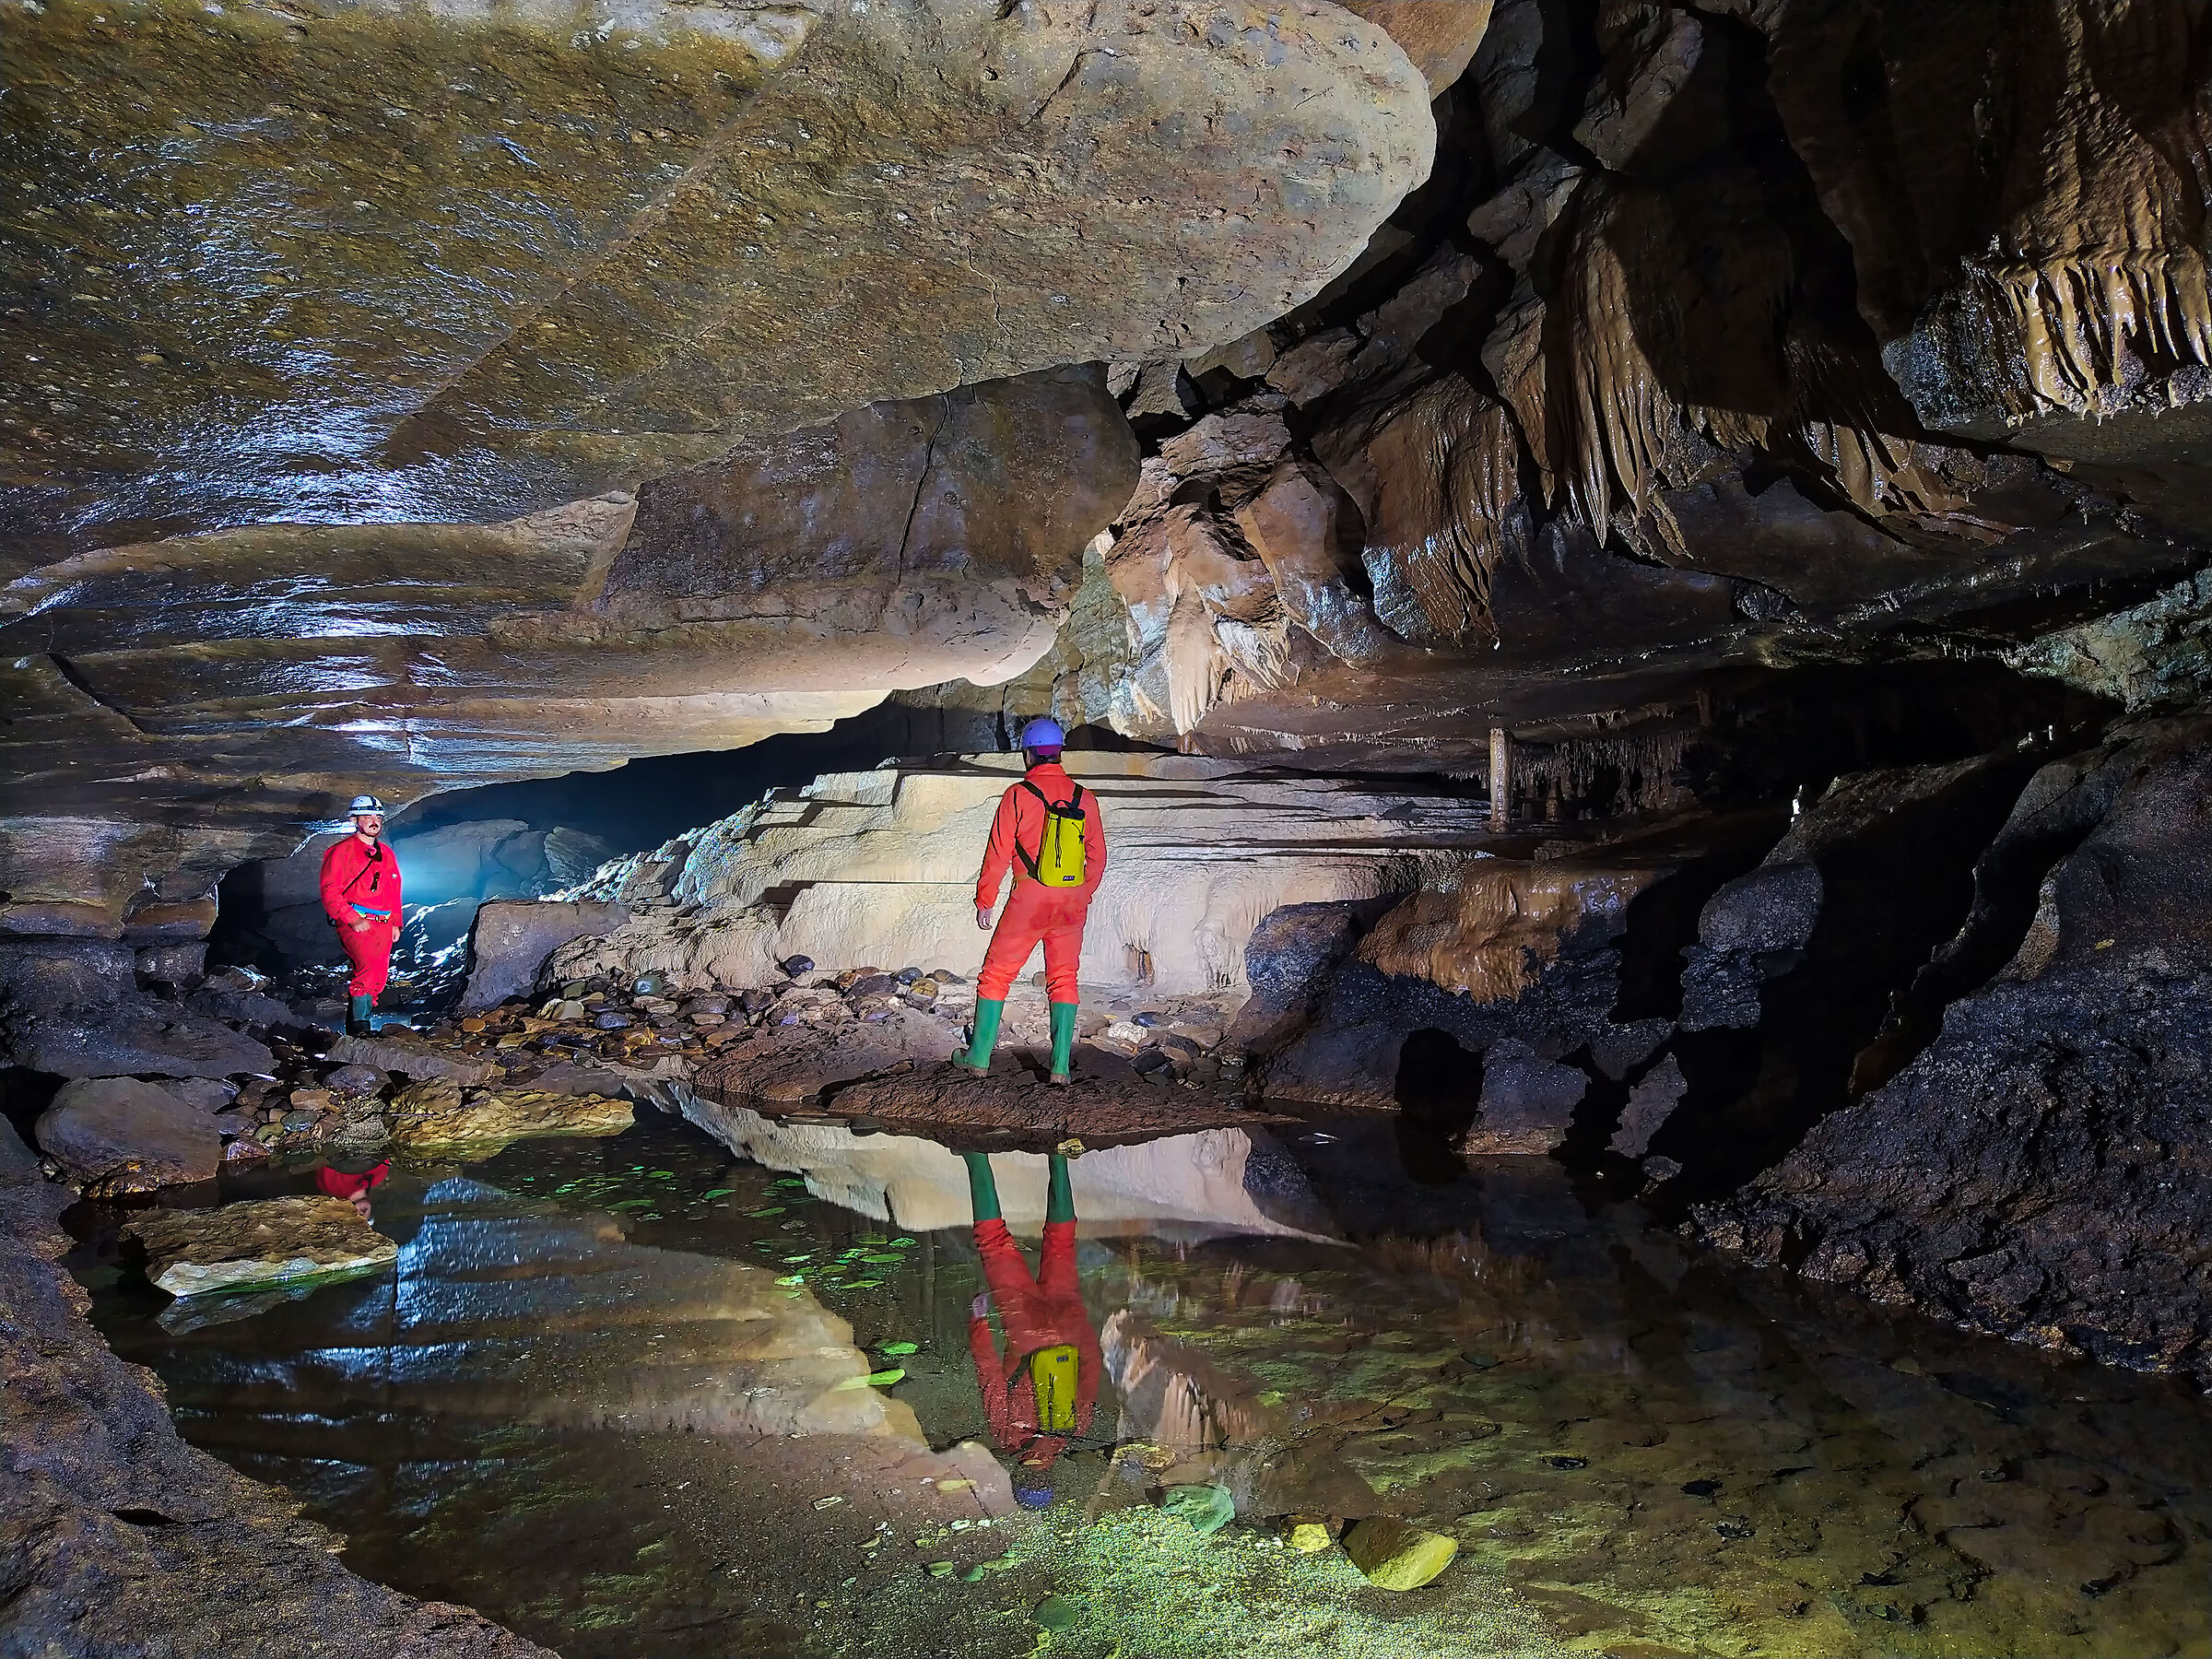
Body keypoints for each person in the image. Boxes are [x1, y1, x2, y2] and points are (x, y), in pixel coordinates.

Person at [954, 717, 1106, 1086]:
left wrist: (985, 900)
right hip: (1071, 902)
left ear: (1028, 755)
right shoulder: (1084, 797)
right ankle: (1060, 1067)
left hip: (1029, 898)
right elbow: (1097, 857)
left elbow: (998, 853)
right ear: (1058, 754)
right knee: (1063, 978)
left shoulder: (1018, 795)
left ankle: (978, 1056)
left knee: (996, 974)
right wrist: (1081, 893)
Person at [961, 1150, 1100, 1508]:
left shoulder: (1073, 1430)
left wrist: (1080, 1327)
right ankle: (975, 1156)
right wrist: (978, 1324)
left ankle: (1059, 1156)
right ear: (1020, 1475)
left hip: (1069, 1326)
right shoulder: (1006, 1435)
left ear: (1050, 1474)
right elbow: (989, 1375)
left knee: (1062, 1244)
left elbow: (1091, 1367)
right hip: (1025, 1332)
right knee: (993, 1245)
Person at [320, 794, 403, 1037]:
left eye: (377, 816)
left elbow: (393, 889)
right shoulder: (341, 852)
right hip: (357, 921)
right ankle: (360, 1028)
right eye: (367, 816)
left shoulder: (386, 853)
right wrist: (352, 919)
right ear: (355, 820)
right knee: (366, 971)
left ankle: (354, 1026)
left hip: (383, 924)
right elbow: (329, 890)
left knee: (378, 976)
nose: (374, 821)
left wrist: (396, 922)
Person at [315, 1154, 391, 1222]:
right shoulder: (379, 1175)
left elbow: (326, 1156)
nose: (363, 1217)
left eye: (356, 1222)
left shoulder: (330, 1185)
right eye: (367, 1221)